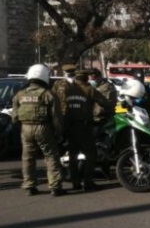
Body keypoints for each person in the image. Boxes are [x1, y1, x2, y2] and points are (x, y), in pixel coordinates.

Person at [12, 64, 66, 196]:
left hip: (25, 128)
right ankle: (55, 187)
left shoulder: (19, 94)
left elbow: (14, 117)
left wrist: (21, 128)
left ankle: (30, 186)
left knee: (28, 158)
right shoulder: (48, 94)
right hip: (43, 128)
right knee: (51, 156)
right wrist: (59, 133)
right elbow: (56, 118)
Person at [63, 70, 114, 191]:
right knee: (91, 153)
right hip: (84, 126)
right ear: (86, 78)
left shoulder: (68, 90)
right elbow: (104, 102)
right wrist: (110, 109)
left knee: (73, 155)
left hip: (69, 125)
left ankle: (76, 183)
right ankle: (88, 182)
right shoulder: (89, 89)